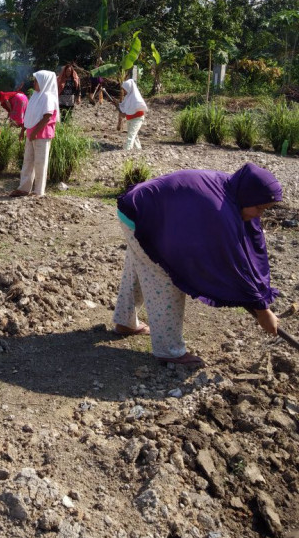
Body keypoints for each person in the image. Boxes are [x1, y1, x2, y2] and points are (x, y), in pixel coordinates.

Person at [113, 163, 282, 367]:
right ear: (249, 195)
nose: (260, 215)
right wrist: (262, 310)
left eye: (265, 209)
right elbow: (233, 264)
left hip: (144, 208)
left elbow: (248, 250)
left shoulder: (234, 192)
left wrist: (260, 301)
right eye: (259, 208)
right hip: (140, 215)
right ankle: (169, 351)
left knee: (141, 265)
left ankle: (125, 322)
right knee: (166, 273)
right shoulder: (222, 210)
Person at [9, 70, 59, 198]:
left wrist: (35, 133)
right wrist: (23, 131)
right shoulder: (36, 96)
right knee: (28, 161)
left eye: (36, 80)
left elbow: (47, 117)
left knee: (40, 163)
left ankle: (38, 191)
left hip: (42, 135)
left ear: (44, 81)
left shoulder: (48, 97)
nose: (34, 83)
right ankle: (24, 188)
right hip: (32, 134)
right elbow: (29, 116)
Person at [117, 78, 148, 150]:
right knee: (134, 134)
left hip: (137, 119)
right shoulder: (127, 97)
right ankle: (138, 149)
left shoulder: (136, 98)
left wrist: (125, 113)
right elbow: (125, 109)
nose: (123, 91)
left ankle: (127, 150)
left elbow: (135, 108)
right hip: (130, 118)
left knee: (131, 135)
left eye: (124, 89)